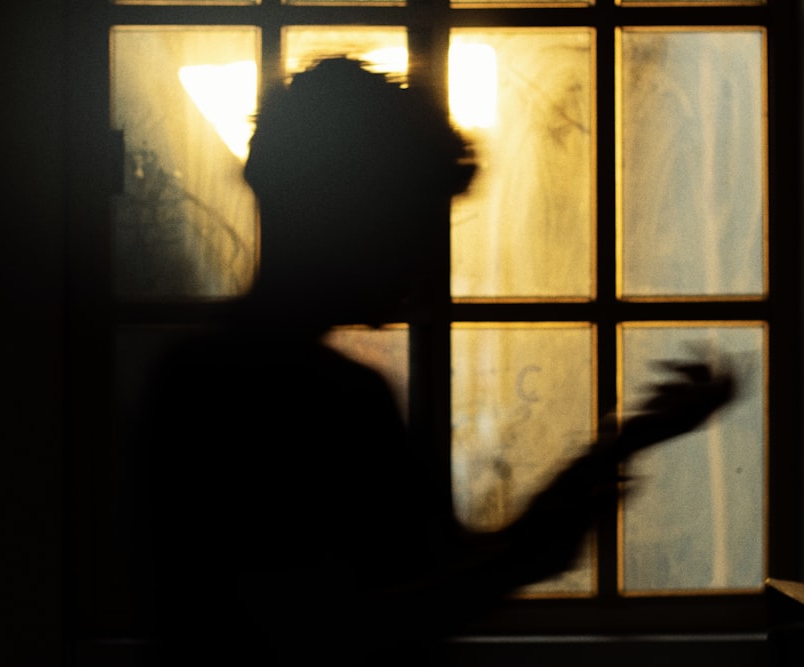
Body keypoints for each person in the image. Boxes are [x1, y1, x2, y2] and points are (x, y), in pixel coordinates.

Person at [142, 57, 734, 665]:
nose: (425, 259)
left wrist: (614, 451)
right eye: (414, 223)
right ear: (352, 217)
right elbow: (336, 628)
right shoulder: (313, 394)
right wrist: (542, 535)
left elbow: (420, 577)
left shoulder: (206, 376)